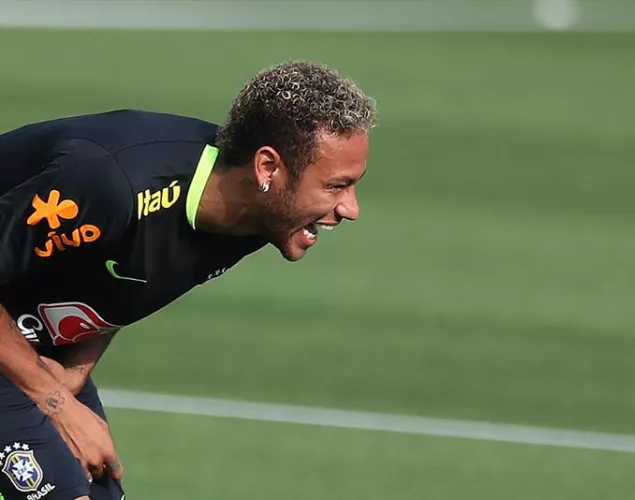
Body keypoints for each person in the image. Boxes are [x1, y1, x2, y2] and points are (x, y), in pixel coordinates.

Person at [0, 60, 376, 500]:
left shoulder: (253, 219)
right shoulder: (112, 185)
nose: (351, 208)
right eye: (336, 186)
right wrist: (55, 403)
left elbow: (126, 278)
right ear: (268, 168)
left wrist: (74, 374)